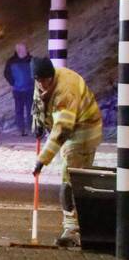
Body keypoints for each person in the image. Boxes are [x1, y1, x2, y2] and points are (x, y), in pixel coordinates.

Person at [31, 58, 103, 248]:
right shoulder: (39, 79)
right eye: (39, 80)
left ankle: (73, 230)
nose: (42, 84)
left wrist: (42, 159)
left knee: (69, 179)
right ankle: (85, 224)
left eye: (46, 80)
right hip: (69, 130)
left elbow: (63, 129)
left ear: (52, 76)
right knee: (75, 177)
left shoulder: (66, 90)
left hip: (84, 130)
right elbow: (38, 100)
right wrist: (37, 122)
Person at [4, 42, 34, 136]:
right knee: (19, 110)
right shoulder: (11, 61)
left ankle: (30, 128)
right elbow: (7, 74)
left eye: (23, 49)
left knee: (31, 109)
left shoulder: (32, 60)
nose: (22, 51)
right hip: (18, 90)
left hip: (30, 89)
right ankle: (21, 129)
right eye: (20, 49)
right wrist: (12, 83)